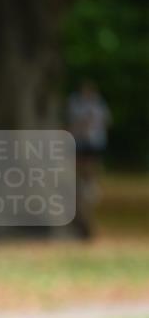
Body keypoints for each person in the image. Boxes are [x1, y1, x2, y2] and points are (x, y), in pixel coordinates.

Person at [67, 80, 111, 238]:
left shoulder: (98, 104)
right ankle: (82, 184)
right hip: (80, 141)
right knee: (80, 163)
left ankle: (90, 185)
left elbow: (105, 121)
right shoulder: (75, 103)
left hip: (94, 140)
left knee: (91, 164)